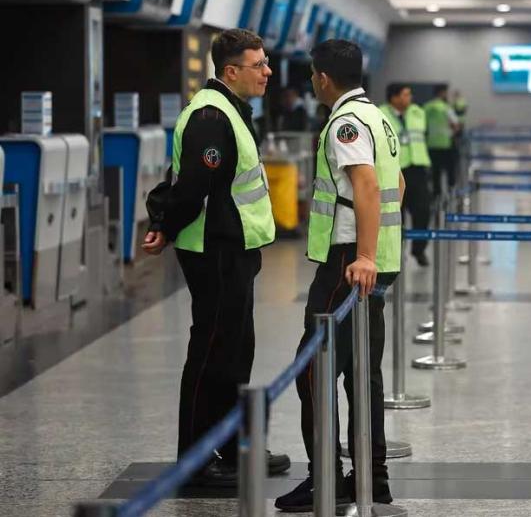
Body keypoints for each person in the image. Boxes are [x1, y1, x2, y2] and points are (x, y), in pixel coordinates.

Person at [141, 28, 290, 485]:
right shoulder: (211, 116)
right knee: (211, 352)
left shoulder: (233, 110)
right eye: (258, 64)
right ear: (231, 71)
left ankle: (232, 444)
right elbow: (192, 188)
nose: (267, 72)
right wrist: (165, 226)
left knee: (236, 350)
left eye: (266, 63)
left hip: (236, 247)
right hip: (215, 250)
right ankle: (195, 460)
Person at [274, 39, 405, 512]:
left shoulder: (346, 122)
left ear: (323, 78)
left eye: (312, 75)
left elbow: (367, 186)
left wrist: (363, 254)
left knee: (314, 369)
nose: (312, 82)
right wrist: (378, 253)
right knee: (361, 372)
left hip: (350, 262)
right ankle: (373, 476)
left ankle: (326, 478)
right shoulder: (379, 117)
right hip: (377, 259)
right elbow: (398, 183)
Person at [380, 83, 432, 266]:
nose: (409, 98)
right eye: (405, 94)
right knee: (394, 214)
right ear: (393, 97)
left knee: (423, 211)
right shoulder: (380, 114)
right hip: (393, 171)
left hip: (418, 168)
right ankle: (394, 253)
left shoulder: (418, 112)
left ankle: (419, 250)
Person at [424, 84, 460, 198]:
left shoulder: (426, 107)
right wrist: (451, 134)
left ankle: (436, 194)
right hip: (446, 145)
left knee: (435, 172)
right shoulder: (446, 108)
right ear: (442, 93)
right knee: (450, 170)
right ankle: (451, 192)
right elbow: (456, 125)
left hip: (431, 145)